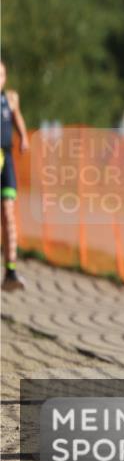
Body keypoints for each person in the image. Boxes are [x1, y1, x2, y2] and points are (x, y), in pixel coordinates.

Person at [0, 60, 30, 292]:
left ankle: (11, 271)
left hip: (6, 159)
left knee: (8, 214)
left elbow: (17, 116)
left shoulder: (10, 99)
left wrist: (24, 137)